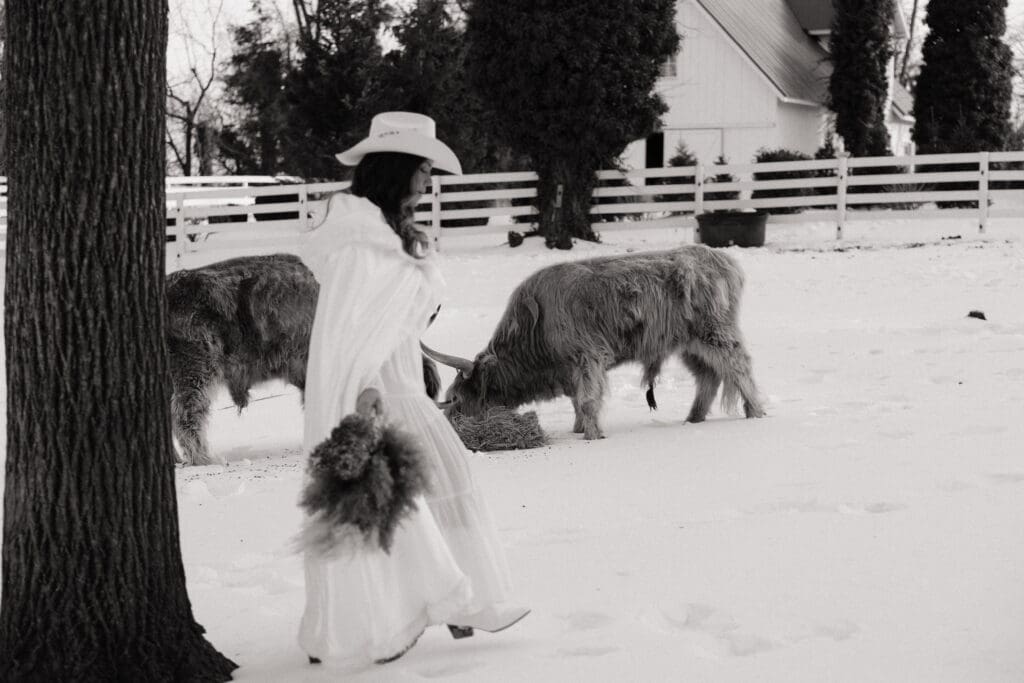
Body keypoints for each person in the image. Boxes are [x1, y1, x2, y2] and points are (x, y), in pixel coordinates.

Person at [296, 111, 530, 668]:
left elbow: (389, 322)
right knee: (391, 499)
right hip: (379, 391)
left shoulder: (389, 237)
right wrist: (366, 390)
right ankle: (407, 611)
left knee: (438, 482)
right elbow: (350, 334)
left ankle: (453, 599)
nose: (428, 183)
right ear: (395, 171)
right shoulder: (361, 244)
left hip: (401, 383)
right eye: (422, 171)